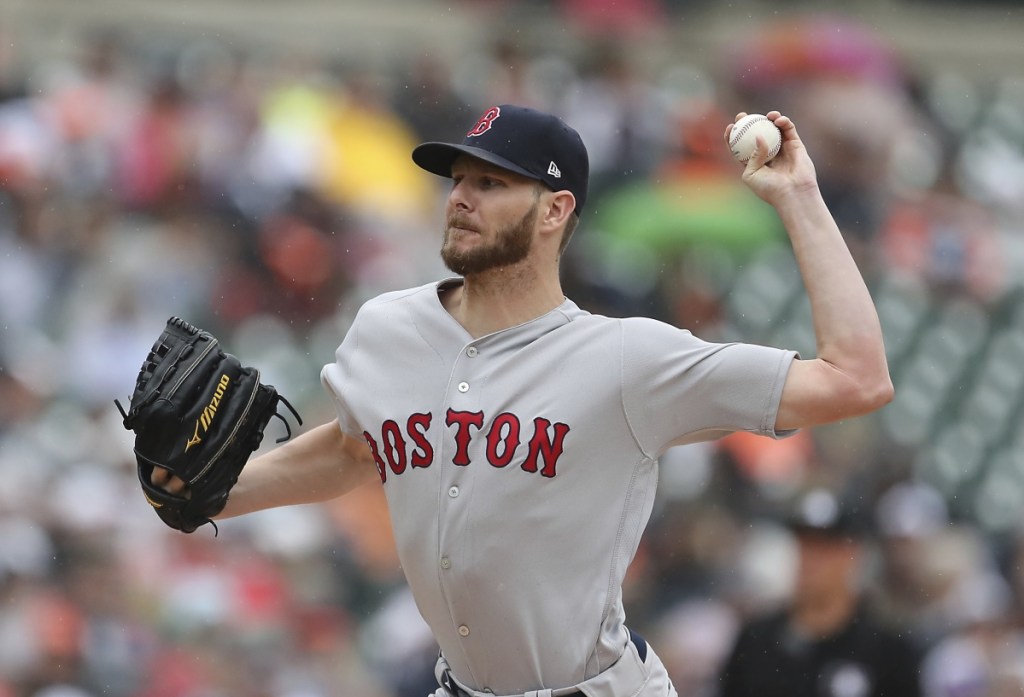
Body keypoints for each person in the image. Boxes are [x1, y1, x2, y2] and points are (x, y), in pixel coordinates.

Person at [153, 104, 893, 697]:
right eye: (458, 180)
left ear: (554, 211)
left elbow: (856, 379)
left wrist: (798, 197)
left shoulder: (627, 358)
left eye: (492, 183)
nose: (462, 198)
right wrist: (218, 492)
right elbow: (357, 447)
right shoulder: (388, 328)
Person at [717, 487, 922, 697]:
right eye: (805, 545)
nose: (811, 561)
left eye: (824, 548)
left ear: (853, 554)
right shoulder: (756, 641)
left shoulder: (889, 653)